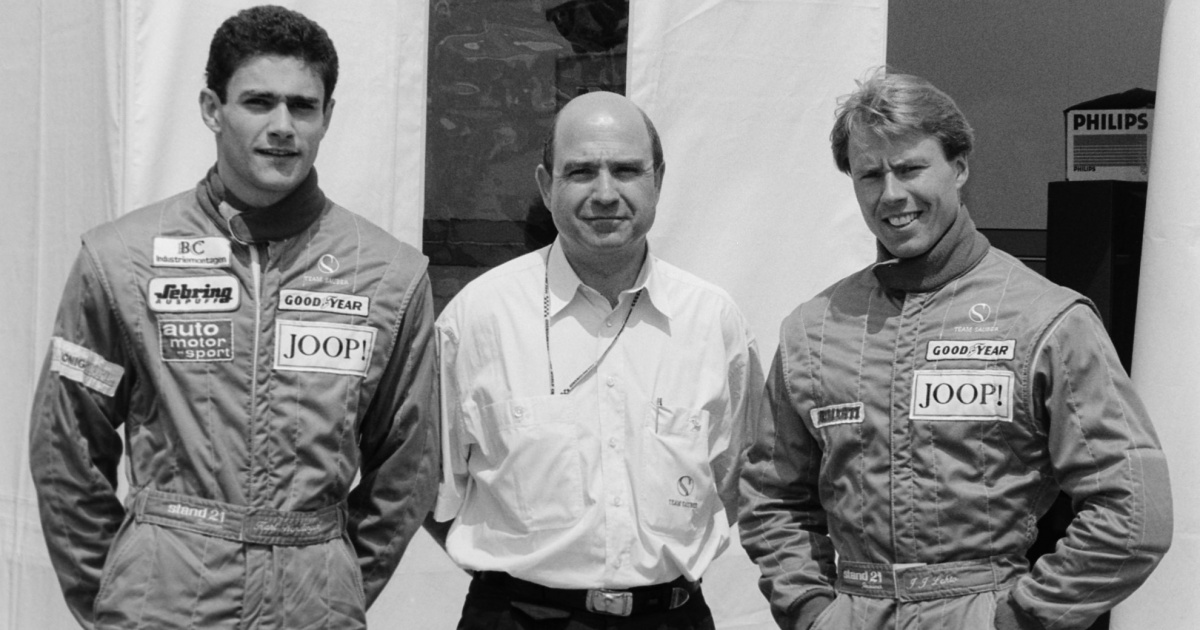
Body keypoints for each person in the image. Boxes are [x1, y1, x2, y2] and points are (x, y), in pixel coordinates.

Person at [28, 6, 438, 629]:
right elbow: (66, 447)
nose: (283, 127)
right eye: (259, 102)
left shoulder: (389, 275)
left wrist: (333, 582)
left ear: (328, 115)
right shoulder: (122, 259)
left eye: (303, 106)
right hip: (159, 605)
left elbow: (408, 468)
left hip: (313, 606)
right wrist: (118, 591)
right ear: (211, 108)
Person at [739, 70, 1172, 630]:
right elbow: (771, 498)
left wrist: (1022, 617)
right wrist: (810, 610)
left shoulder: (1045, 320)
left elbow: (1134, 511)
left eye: (910, 168)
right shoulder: (815, 328)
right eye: (870, 174)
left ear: (960, 167)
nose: (891, 194)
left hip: (979, 610)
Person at [433, 90, 764, 629]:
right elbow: (432, 491)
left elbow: (739, 481)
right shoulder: (478, 319)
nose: (606, 193)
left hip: (670, 619)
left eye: (627, 170)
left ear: (658, 180)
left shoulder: (713, 321)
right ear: (546, 186)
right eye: (582, 171)